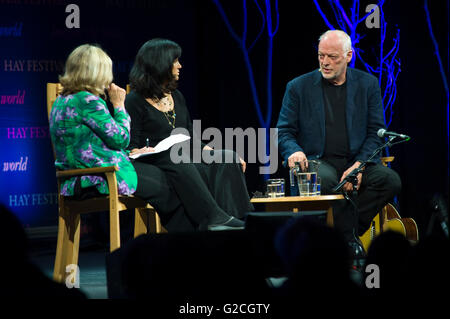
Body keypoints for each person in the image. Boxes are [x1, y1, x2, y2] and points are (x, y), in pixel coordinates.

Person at [276, 30, 402, 242]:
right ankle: (348, 241)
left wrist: (359, 165)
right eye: (320, 55)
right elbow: (284, 131)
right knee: (324, 180)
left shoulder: (368, 85)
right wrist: (294, 150)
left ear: (348, 56)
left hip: (356, 161)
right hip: (318, 161)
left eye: (332, 57)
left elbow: (376, 132)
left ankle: (344, 235)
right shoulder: (298, 87)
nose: (325, 62)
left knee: (390, 180)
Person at [49, 44, 189, 233]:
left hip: (75, 180)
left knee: (165, 184)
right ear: (97, 73)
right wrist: (119, 105)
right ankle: (181, 244)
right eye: (107, 71)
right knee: (171, 184)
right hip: (97, 178)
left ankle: (160, 246)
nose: (109, 78)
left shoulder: (61, 100)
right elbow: (121, 139)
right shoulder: (88, 101)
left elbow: (100, 142)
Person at [125, 38, 253, 231]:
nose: (180, 65)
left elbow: (190, 136)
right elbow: (129, 146)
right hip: (154, 159)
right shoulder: (134, 101)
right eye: (175, 61)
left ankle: (243, 223)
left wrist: (212, 150)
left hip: (184, 154)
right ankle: (213, 217)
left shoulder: (177, 96)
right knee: (177, 154)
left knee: (226, 157)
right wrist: (137, 150)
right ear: (160, 64)